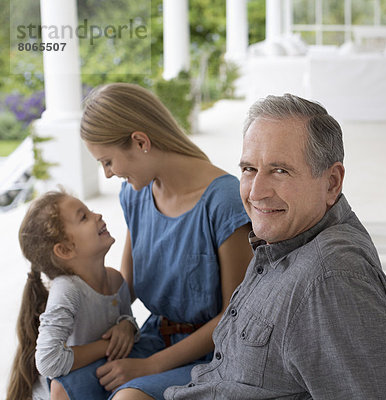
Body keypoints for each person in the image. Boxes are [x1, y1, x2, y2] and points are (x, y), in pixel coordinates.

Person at [165, 93, 386, 399]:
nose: (256, 192)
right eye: (248, 169)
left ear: (332, 182)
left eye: (280, 171)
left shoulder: (332, 279)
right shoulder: (285, 239)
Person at [53, 83, 254, 400]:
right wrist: (123, 324)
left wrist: (149, 367)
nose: (107, 174)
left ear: (140, 141)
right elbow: (126, 288)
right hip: (153, 337)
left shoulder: (225, 202)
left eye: (108, 161)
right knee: (63, 388)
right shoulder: (136, 194)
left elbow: (234, 316)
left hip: (211, 355)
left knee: (128, 397)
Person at [7, 190, 139, 400]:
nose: (98, 216)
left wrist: (126, 326)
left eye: (91, 211)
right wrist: (107, 346)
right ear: (65, 250)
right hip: (64, 390)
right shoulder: (68, 290)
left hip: (97, 375)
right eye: (84, 217)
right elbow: (49, 361)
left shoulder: (115, 280)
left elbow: (126, 318)